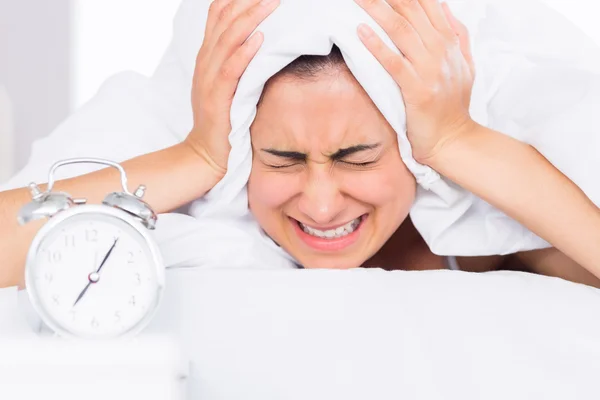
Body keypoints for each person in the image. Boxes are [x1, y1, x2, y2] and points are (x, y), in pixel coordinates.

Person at [0, 0, 599, 290]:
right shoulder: (197, 153)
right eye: (281, 160)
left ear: (417, 151)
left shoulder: (477, 231)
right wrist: (198, 158)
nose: (320, 205)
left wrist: (458, 138)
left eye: (358, 158)